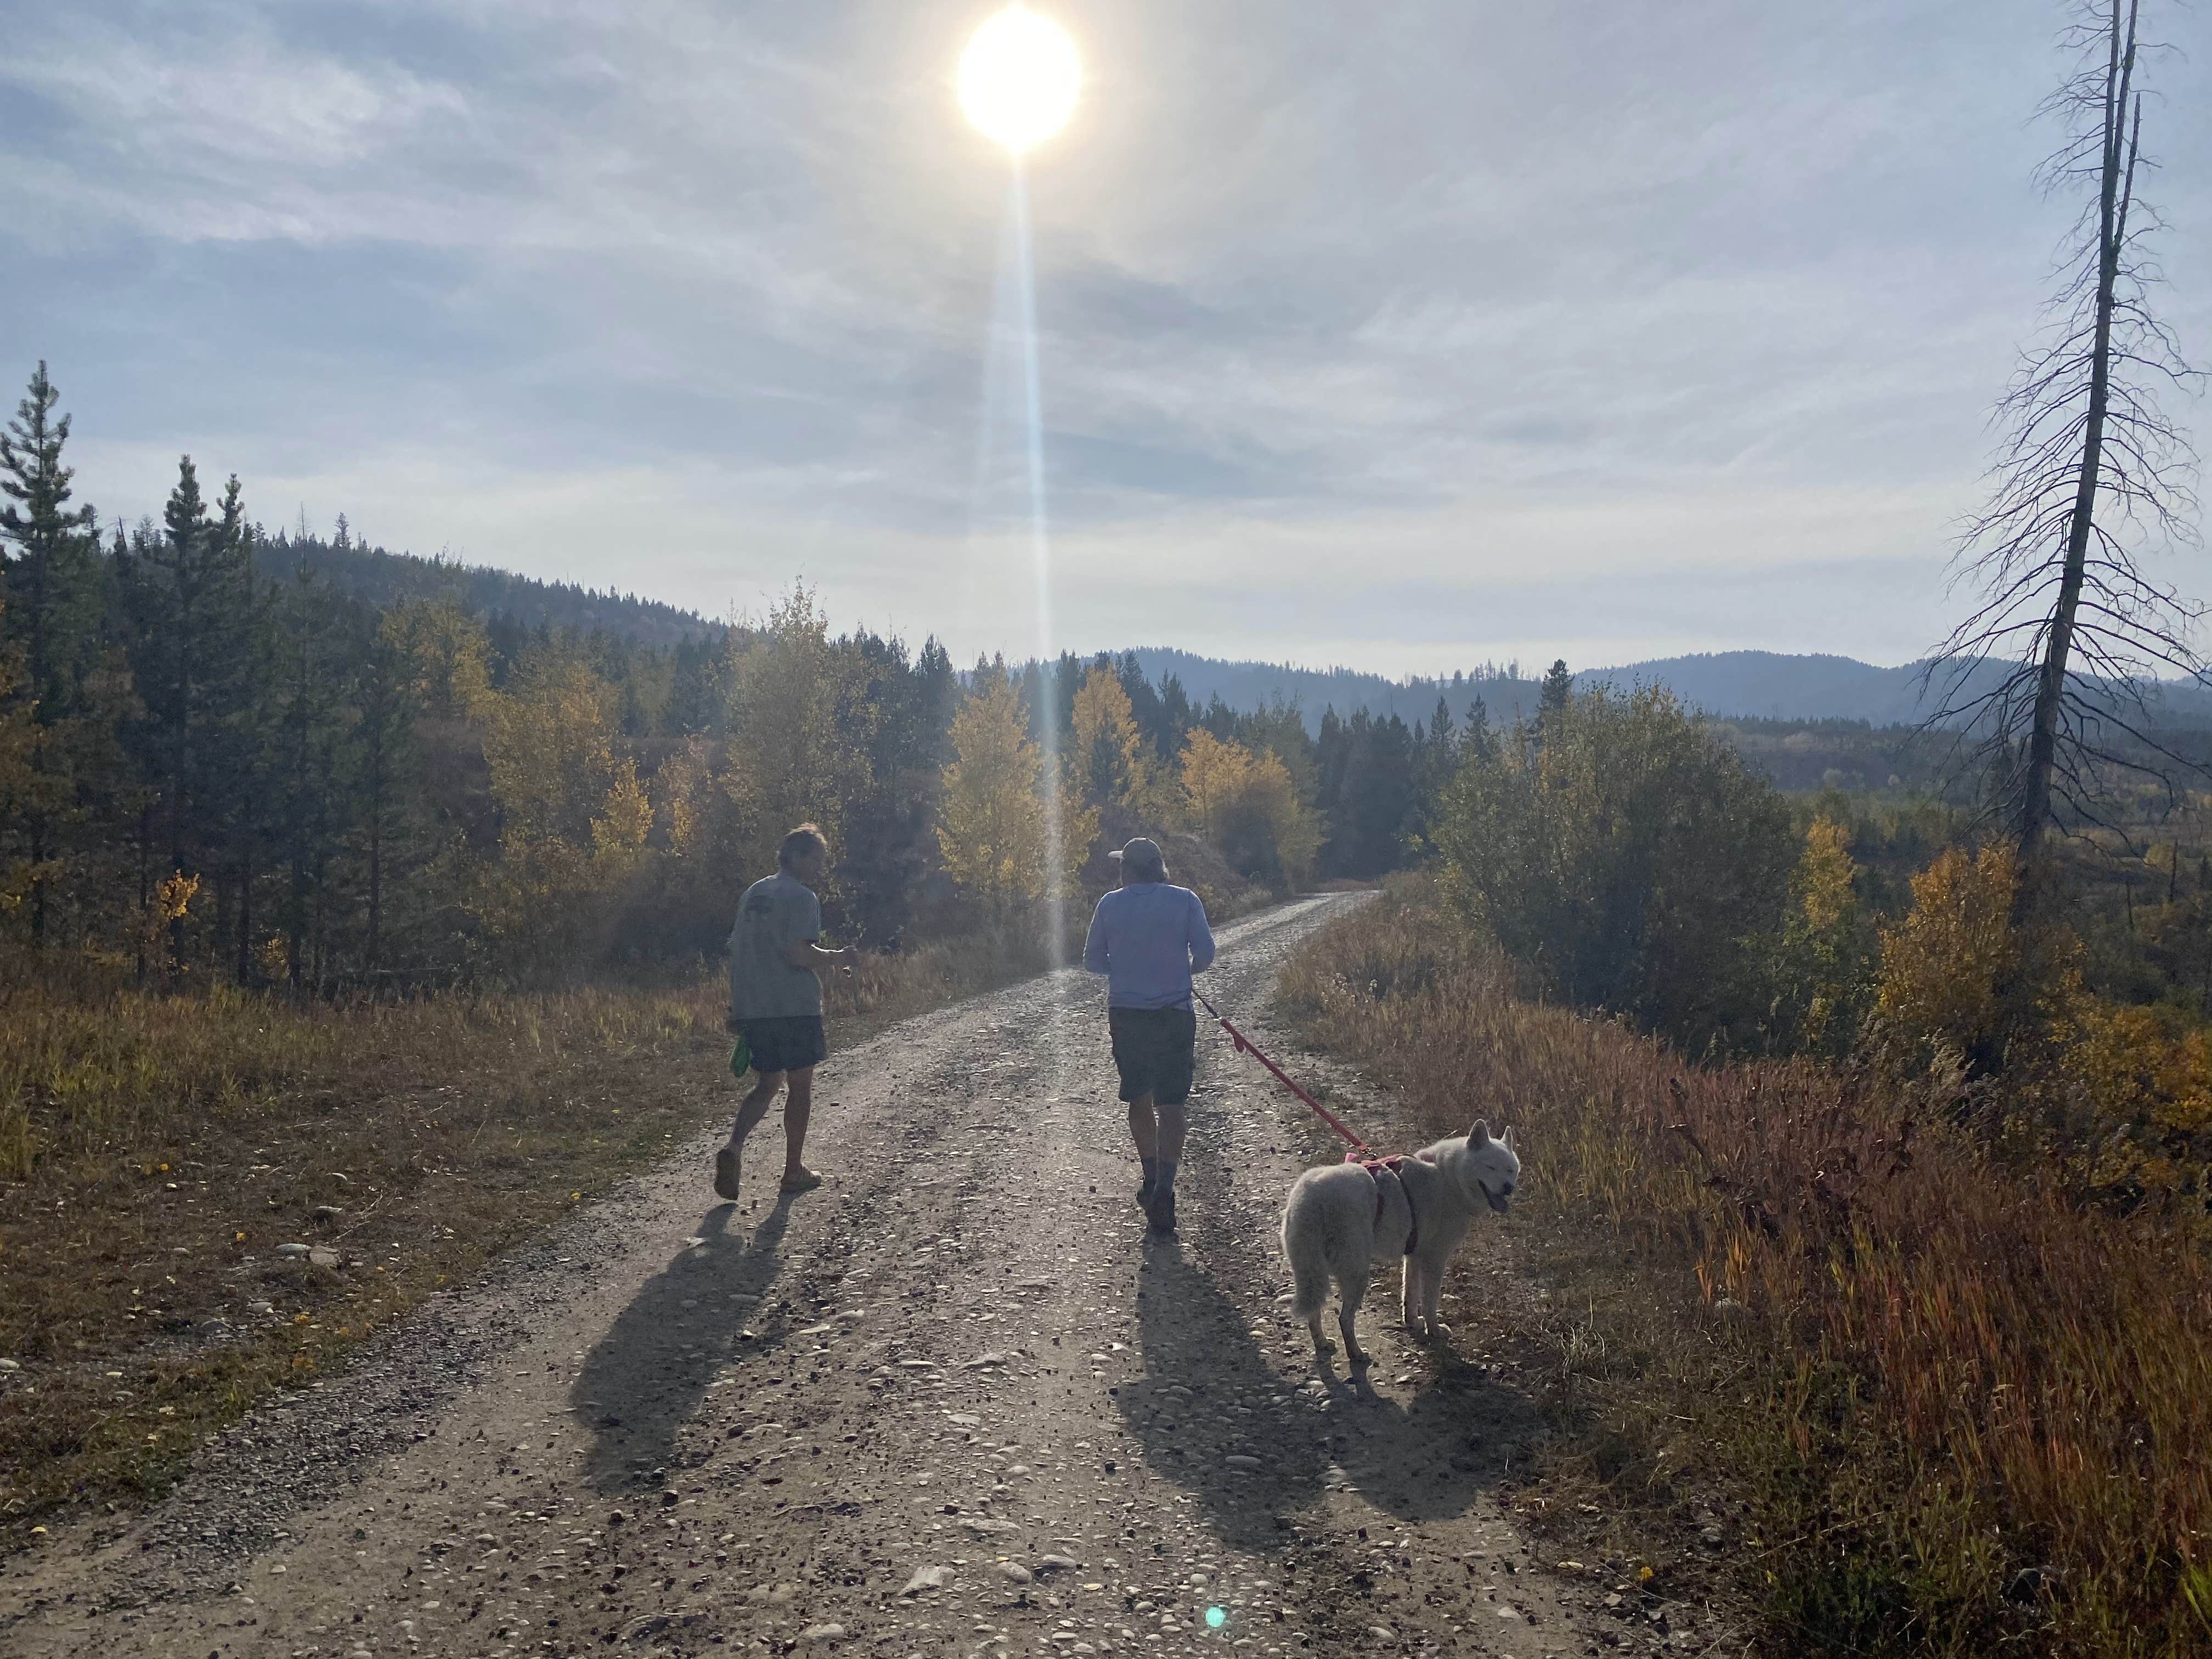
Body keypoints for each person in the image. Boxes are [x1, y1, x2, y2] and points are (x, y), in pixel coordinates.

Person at [1081, 836, 1216, 1237]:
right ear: (1159, 868)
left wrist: (1127, 971)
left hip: (1128, 1015)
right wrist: (1178, 974)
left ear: (1128, 870)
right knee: (1172, 1104)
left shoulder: (1109, 905)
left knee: (1138, 1099)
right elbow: (1206, 954)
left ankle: (1151, 1175)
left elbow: (1092, 960)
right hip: (1175, 1013)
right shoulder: (1186, 900)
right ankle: (1167, 1187)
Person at [719, 823, 856, 1203]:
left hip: (755, 1005)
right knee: (800, 1086)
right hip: (793, 1007)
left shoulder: (753, 894)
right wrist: (836, 958)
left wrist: (739, 1004)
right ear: (794, 855)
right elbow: (799, 954)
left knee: (766, 1084)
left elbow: (740, 949)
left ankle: (733, 1147)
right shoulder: (802, 897)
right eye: (815, 857)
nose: (819, 866)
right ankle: (793, 1170)